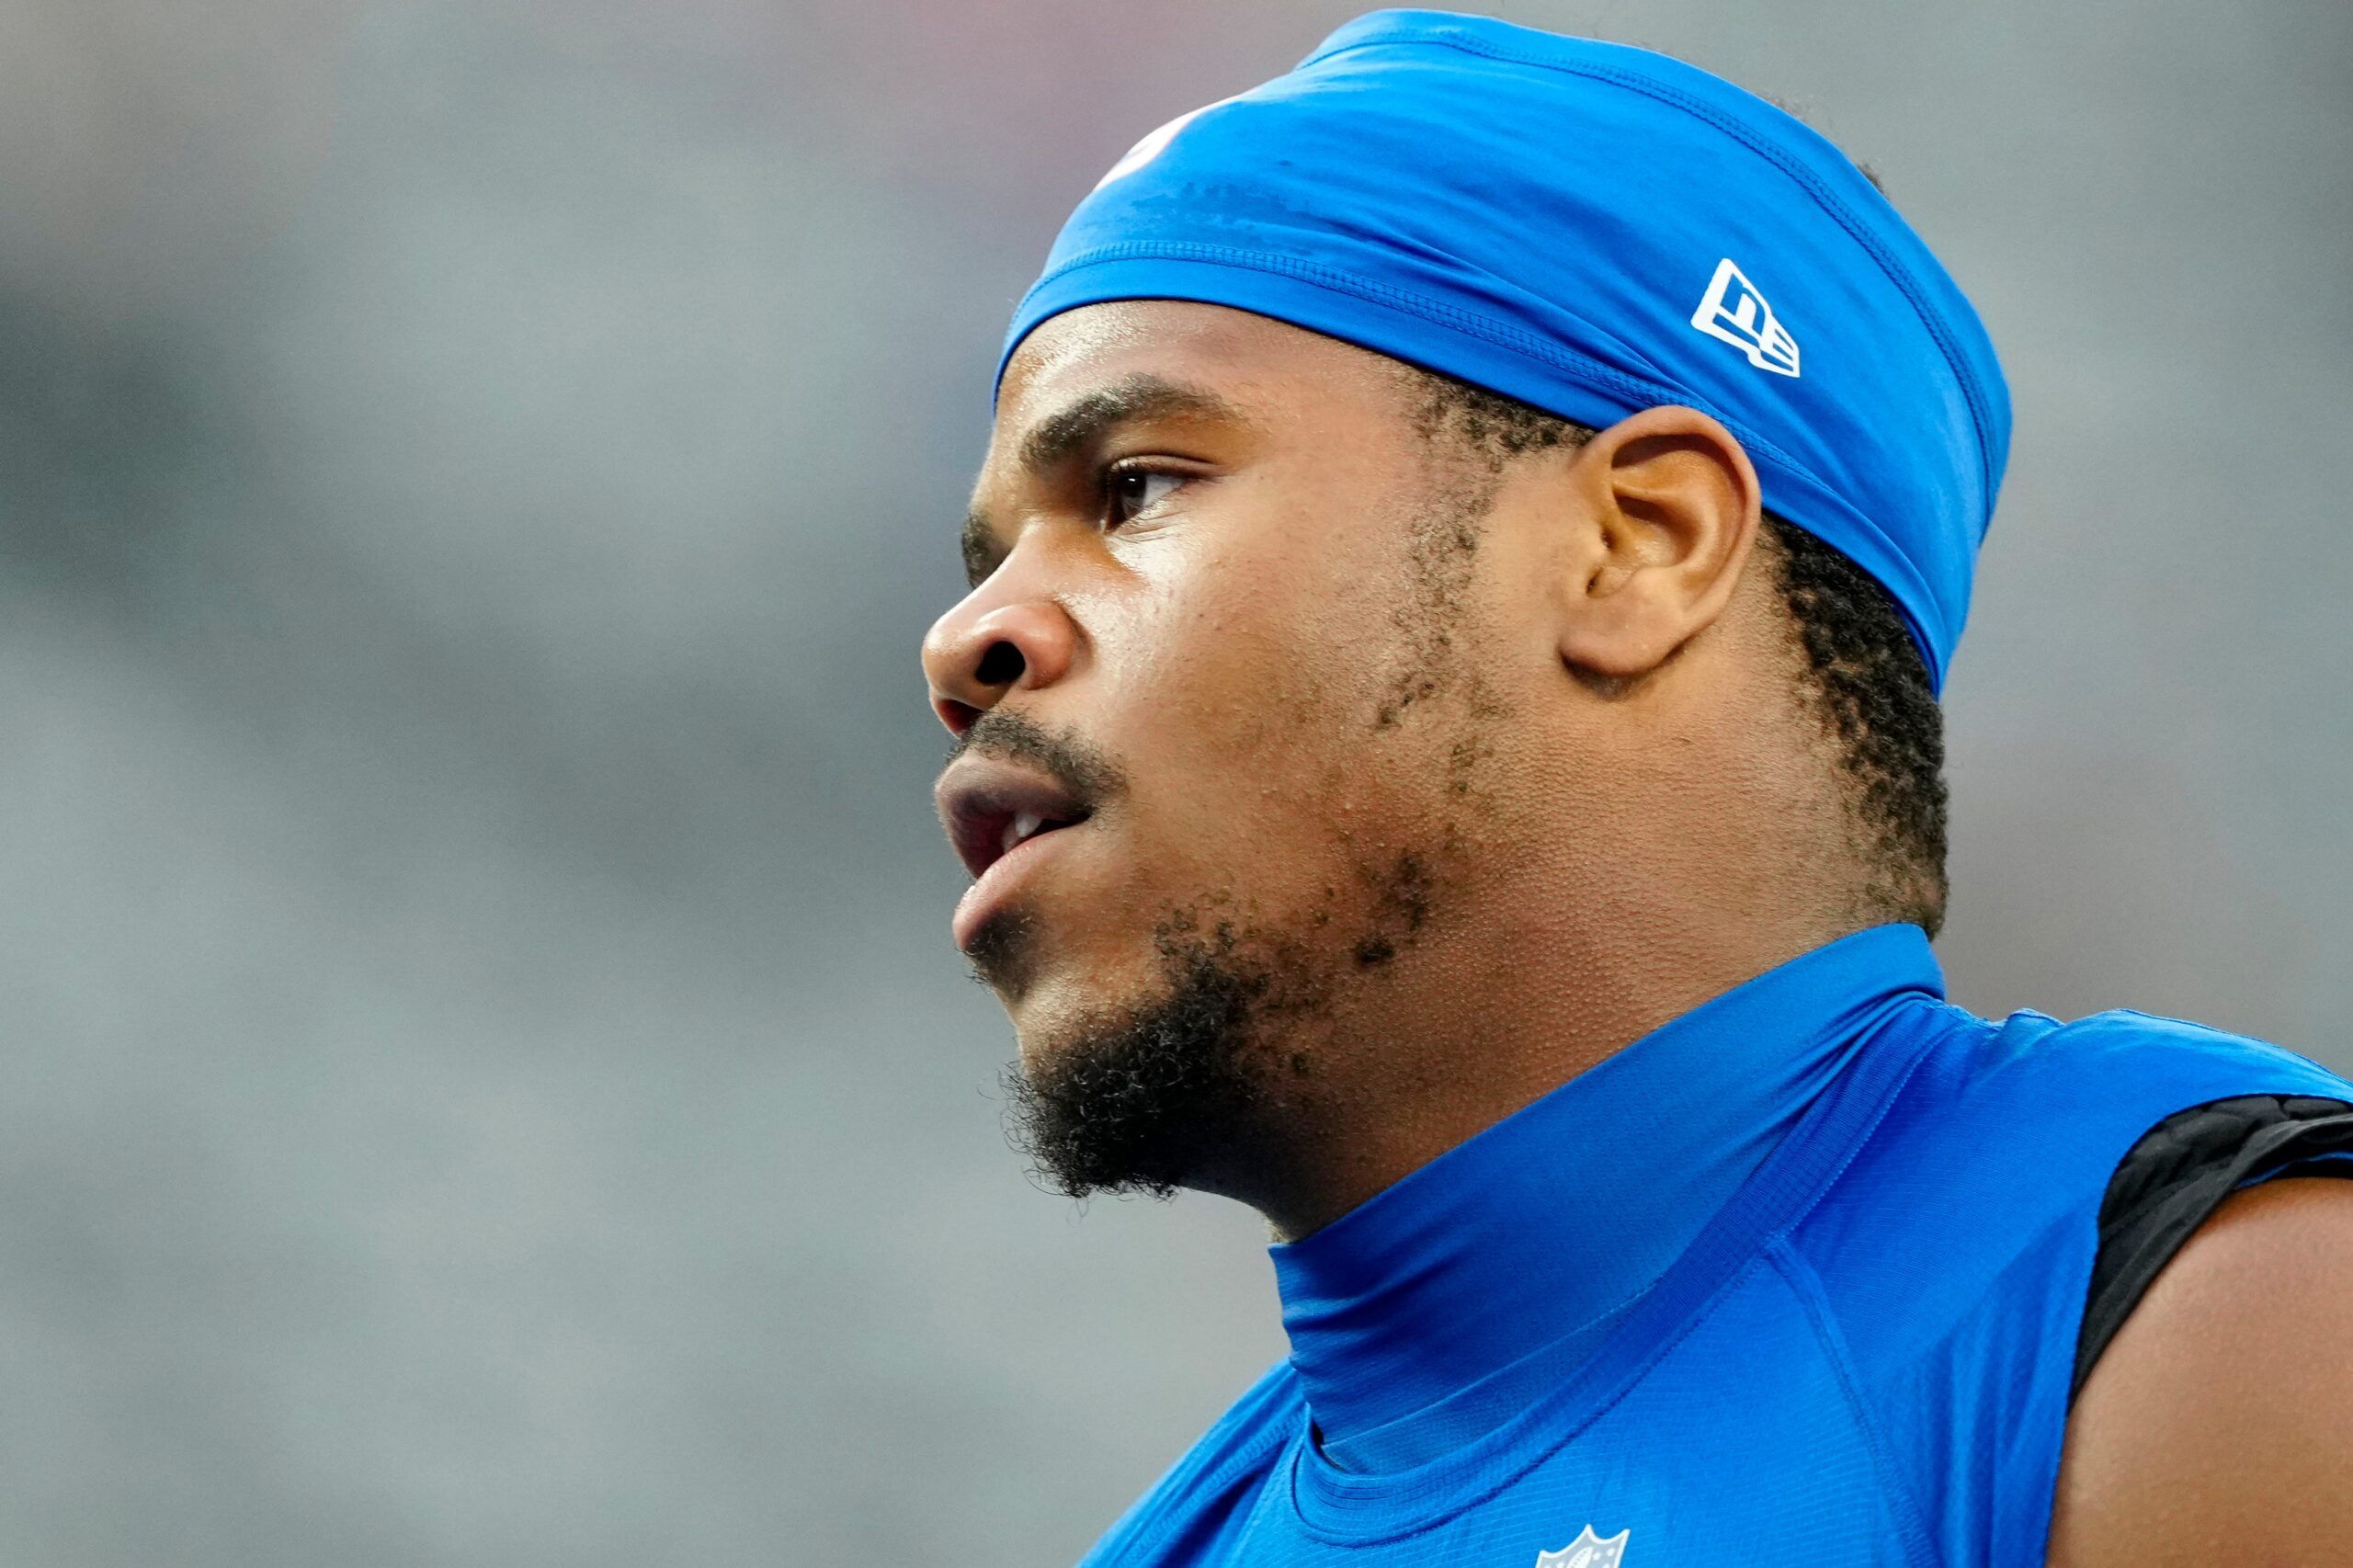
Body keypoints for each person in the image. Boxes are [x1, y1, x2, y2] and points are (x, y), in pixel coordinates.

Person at [919, 12, 2353, 1565]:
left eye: (1134, 486)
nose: (962, 640)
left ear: (1638, 546)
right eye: (990, 557)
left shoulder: (2196, 1311)